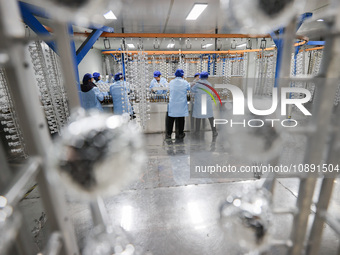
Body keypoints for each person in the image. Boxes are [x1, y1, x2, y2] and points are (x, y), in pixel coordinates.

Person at [191, 71, 218, 137]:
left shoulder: (197, 84)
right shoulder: (209, 84)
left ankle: (197, 132)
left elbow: (192, 90)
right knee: (211, 117)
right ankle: (214, 131)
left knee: (198, 117)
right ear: (207, 77)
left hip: (199, 103)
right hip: (207, 103)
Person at [166, 69, 190, 140]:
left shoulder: (171, 82)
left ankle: (169, 134)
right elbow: (189, 88)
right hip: (181, 105)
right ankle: (180, 134)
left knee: (170, 120)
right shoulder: (185, 82)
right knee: (181, 120)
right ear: (183, 75)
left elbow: (168, 89)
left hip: (173, 104)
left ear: (175, 75)